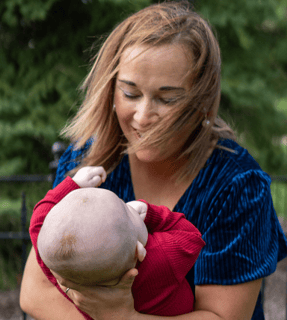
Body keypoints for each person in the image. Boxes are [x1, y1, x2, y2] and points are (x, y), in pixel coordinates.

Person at [20, 1, 287, 319]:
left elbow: (222, 316)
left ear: (202, 101)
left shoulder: (237, 185)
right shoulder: (87, 161)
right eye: (131, 93)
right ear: (111, 90)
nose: (143, 117)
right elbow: (34, 292)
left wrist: (124, 317)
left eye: (167, 98)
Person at [30, 166, 205, 318]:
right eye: (126, 209)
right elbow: (191, 236)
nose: (128, 204)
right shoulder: (158, 257)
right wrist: (153, 214)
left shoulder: (61, 270)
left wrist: (73, 185)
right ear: (138, 250)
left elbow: (38, 222)